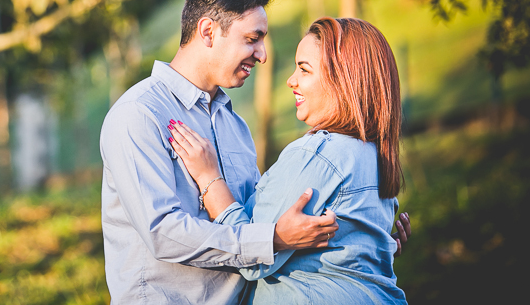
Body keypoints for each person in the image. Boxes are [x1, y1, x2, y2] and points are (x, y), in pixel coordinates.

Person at [99, 0, 342, 305]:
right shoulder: (139, 114)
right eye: (252, 38)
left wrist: (365, 237)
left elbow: (258, 220)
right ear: (208, 32)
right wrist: (269, 240)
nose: (263, 55)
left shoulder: (236, 126)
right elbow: (162, 232)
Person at [169, 17, 409, 304]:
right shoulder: (374, 155)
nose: (291, 80)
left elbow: (249, 252)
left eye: (304, 70)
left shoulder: (318, 154)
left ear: (343, 79)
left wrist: (209, 178)